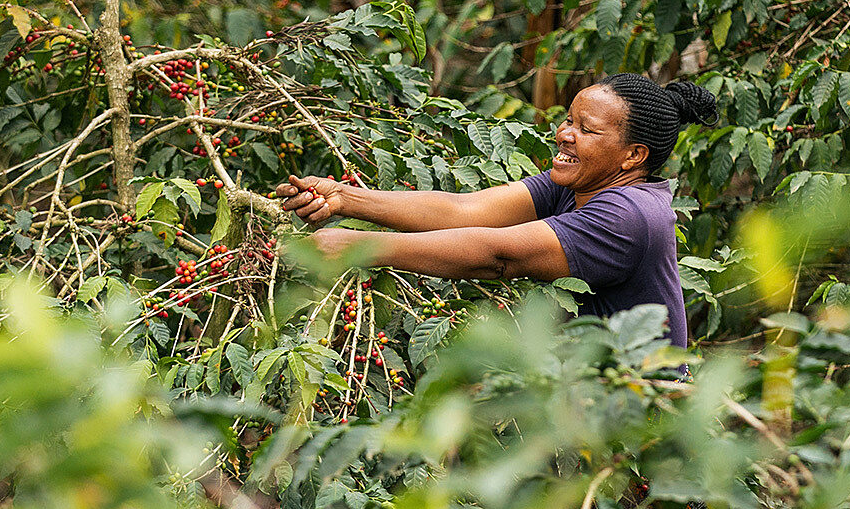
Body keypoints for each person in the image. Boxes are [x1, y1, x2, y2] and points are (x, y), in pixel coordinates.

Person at [276, 73, 718, 351]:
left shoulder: (628, 214)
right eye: (569, 120)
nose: (564, 134)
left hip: (641, 423)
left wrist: (359, 246)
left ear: (633, 156)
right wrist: (345, 198)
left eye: (587, 130)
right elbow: (465, 210)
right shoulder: (576, 181)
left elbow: (498, 255)